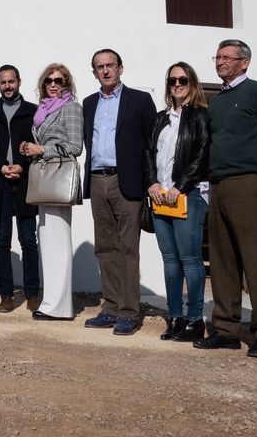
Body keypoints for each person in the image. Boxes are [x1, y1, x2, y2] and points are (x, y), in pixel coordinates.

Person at [194, 39, 257, 359]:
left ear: (245, 62)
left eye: (227, 57)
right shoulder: (219, 102)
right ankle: (225, 330)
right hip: (219, 185)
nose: (220, 61)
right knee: (222, 261)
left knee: (253, 259)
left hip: (251, 183)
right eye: (217, 57)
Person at [81, 49, 156, 336]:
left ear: (120, 68)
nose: (106, 71)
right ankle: (111, 307)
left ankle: (128, 311)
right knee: (105, 247)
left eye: (110, 65)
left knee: (128, 248)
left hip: (128, 181)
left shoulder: (140, 100)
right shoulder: (88, 103)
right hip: (98, 180)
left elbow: (151, 144)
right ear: (94, 72)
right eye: (99, 67)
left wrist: (151, 181)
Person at [142, 62, 210, 343]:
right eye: (173, 81)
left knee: (190, 259)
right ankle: (175, 317)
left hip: (189, 195)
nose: (178, 84)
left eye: (183, 79)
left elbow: (203, 155)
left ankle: (195, 319)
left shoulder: (201, 116)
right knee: (170, 261)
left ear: (192, 82)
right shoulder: (160, 119)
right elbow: (147, 153)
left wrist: (180, 188)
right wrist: (152, 184)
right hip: (160, 196)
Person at [19, 63, 83, 321]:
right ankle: (52, 301)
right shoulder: (42, 111)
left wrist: (42, 150)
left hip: (58, 178)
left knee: (57, 239)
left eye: (59, 80)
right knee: (46, 237)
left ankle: (60, 306)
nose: (53, 84)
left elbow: (75, 146)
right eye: (49, 80)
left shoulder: (71, 108)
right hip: (45, 179)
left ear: (67, 84)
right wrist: (31, 147)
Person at [0, 64, 40, 313]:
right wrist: (2, 166)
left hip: (25, 183)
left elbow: (37, 144)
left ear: (19, 82)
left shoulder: (32, 112)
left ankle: (32, 294)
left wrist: (22, 166)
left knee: (28, 240)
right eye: (3, 82)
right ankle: (6, 295)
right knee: (2, 241)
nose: (7, 86)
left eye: (11, 81)